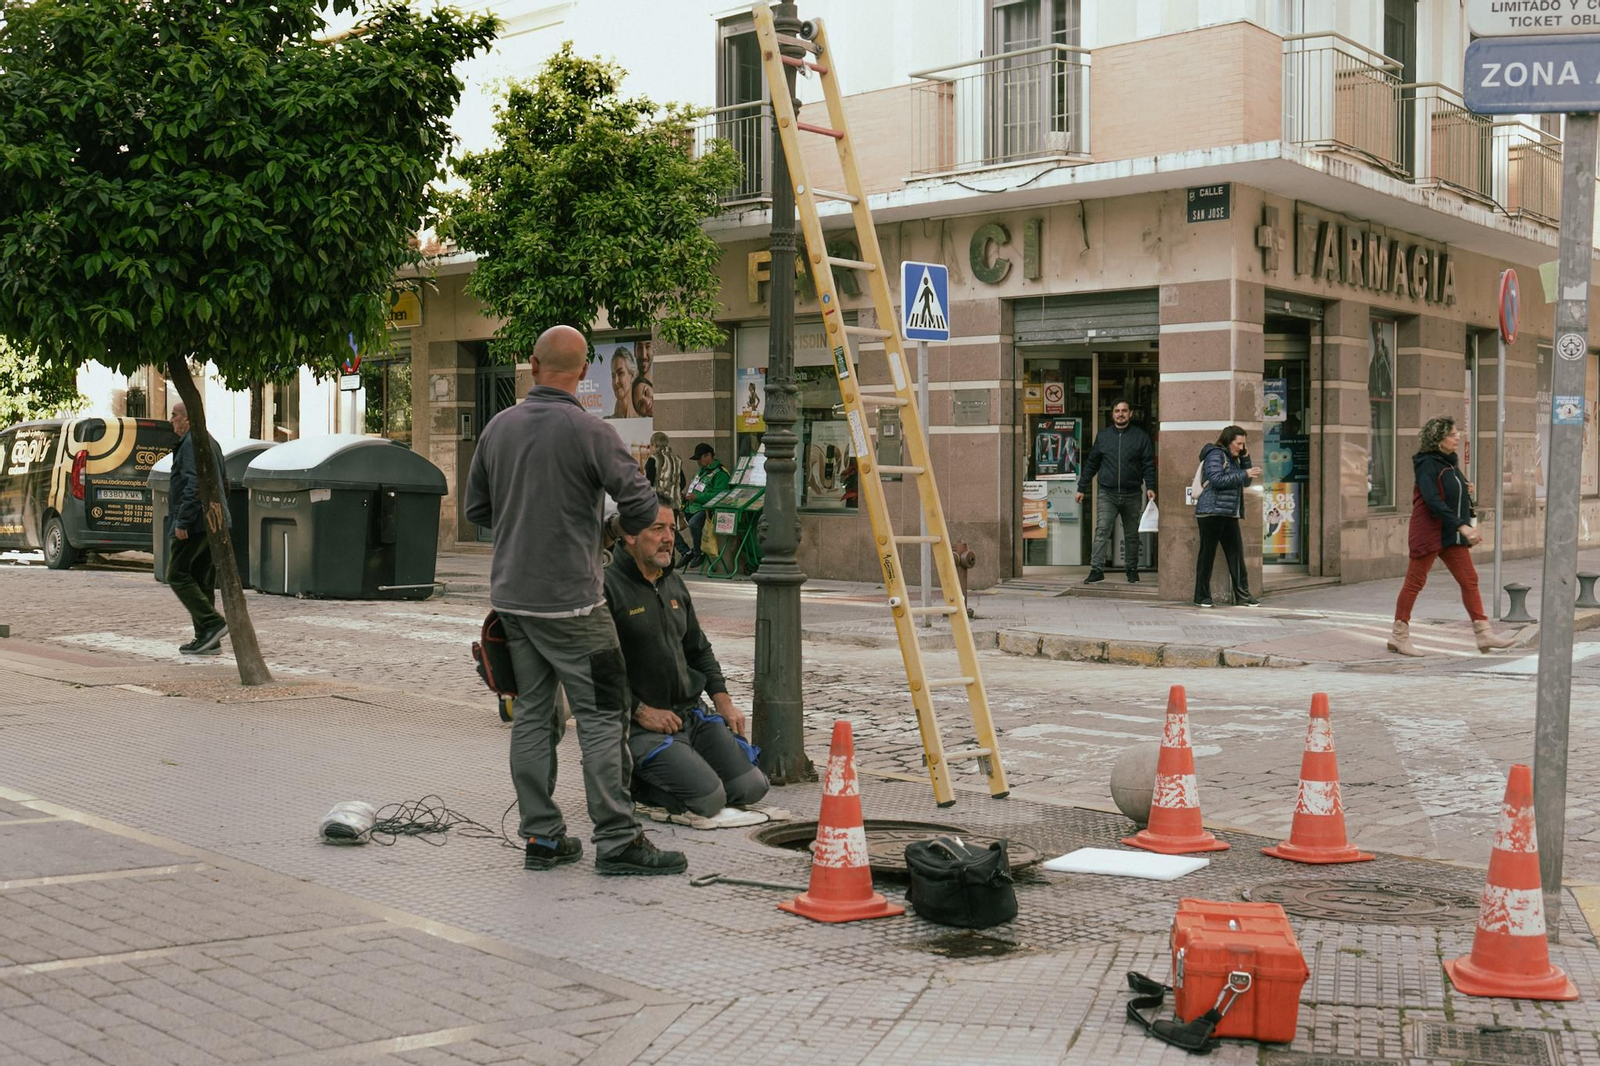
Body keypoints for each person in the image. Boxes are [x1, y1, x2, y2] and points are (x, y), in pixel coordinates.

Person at [465, 324, 686, 877]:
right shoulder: (591, 431)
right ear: (583, 373)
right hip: (576, 607)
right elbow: (639, 503)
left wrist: (524, 525)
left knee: (534, 715)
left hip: (515, 603)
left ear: (533, 367)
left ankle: (541, 838)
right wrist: (605, 533)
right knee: (603, 716)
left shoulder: (497, 428)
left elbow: (478, 512)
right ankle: (616, 840)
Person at [606, 497, 770, 820]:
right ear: (629, 535)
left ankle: (688, 763)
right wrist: (640, 712)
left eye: (672, 527)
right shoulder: (608, 587)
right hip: (642, 727)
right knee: (709, 799)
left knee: (751, 787)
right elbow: (594, 670)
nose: (669, 537)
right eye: (657, 529)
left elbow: (698, 650)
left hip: (690, 716)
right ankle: (631, 781)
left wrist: (722, 700)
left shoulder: (673, 583)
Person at [1388, 416, 1516, 656]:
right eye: (1452, 434)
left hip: (1449, 533)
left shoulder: (1449, 462)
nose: (1458, 437)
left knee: (1470, 580)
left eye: (1457, 433)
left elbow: (1447, 490)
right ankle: (1398, 636)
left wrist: (1464, 487)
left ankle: (1484, 634)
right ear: (1438, 440)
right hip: (1429, 531)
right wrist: (1462, 526)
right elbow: (1432, 500)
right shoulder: (1427, 464)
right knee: (1415, 582)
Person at [165, 402, 228, 655]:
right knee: (201, 579)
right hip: (211, 520)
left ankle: (213, 624)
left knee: (176, 573)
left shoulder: (192, 442)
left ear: (188, 418)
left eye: (174, 415)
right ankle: (207, 638)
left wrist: (183, 521)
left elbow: (194, 483)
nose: (171, 420)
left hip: (195, 520)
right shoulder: (209, 440)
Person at [1075, 398, 1157, 583]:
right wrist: (1082, 487)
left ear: (1130, 414)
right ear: (1112, 414)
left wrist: (1150, 486)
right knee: (1102, 530)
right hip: (1107, 493)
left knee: (1132, 534)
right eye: (1117, 411)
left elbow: (1148, 464)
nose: (1121, 414)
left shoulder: (1140, 436)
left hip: (1132, 493)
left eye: (1124, 411)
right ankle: (1096, 570)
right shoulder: (1103, 437)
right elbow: (1092, 464)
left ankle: (1132, 570)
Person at [1193, 425, 1261, 609]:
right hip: (1211, 511)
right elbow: (1216, 479)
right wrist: (1243, 472)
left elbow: (1245, 482)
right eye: (1239, 443)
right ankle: (1201, 596)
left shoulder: (1234, 459)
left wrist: (1245, 460)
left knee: (1236, 554)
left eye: (1243, 444)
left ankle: (1244, 597)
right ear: (1228, 441)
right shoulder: (1216, 455)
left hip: (1228, 512)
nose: (1241, 447)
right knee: (1207, 555)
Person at [679, 443, 731, 569]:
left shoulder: (720, 473)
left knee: (694, 524)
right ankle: (686, 551)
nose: (698, 462)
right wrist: (684, 497)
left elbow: (720, 495)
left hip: (707, 510)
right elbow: (695, 489)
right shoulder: (700, 472)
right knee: (670, 521)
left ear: (709, 455)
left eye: (700, 458)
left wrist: (698, 498)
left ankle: (698, 552)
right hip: (691, 506)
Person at [608, 347, 637, 419]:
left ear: (632, 376)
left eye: (620, 373)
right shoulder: (607, 422)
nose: (616, 381)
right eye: (613, 376)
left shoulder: (645, 420)